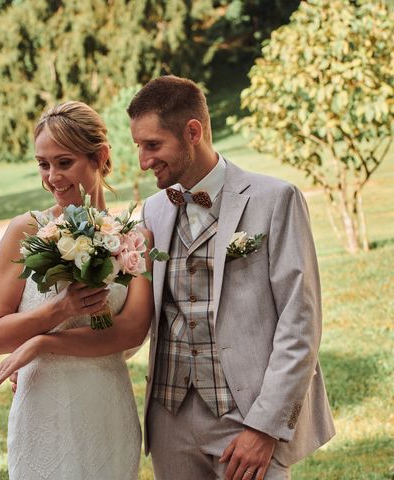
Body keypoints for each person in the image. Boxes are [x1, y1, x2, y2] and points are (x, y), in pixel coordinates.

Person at [127, 75, 335, 480]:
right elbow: (135, 313)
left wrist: (265, 427)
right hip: (170, 422)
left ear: (193, 132)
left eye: (153, 145)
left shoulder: (275, 200)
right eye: (138, 146)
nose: (143, 160)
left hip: (248, 418)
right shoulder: (153, 211)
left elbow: (300, 323)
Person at [0, 101, 154, 480]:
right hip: (43, 406)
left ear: (101, 157)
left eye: (64, 162)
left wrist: (42, 343)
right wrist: (58, 311)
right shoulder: (25, 231)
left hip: (105, 405)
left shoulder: (136, 239)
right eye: (44, 164)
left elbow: (131, 332)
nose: (53, 177)